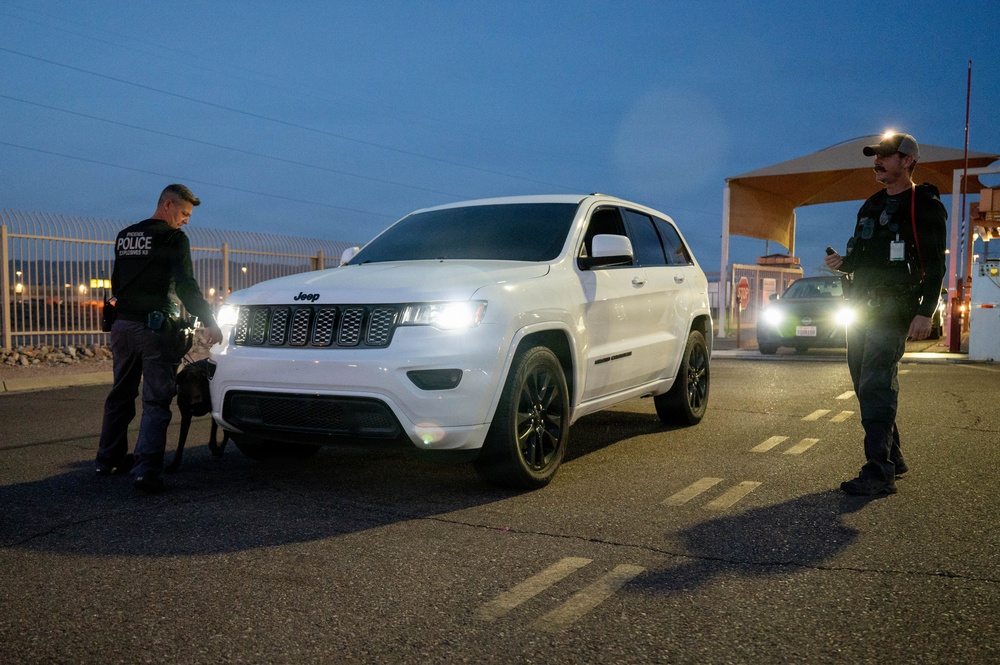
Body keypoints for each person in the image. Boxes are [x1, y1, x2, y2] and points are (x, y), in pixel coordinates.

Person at [825, 133, 947, 495]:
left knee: (877, 385)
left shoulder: (922, 205)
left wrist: (926, 312)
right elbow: (861, 257)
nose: (878, 162)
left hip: (894, 309)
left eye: (886, 156)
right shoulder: (871, 205)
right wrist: (842, 263)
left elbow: (936, 266)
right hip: (860, 307)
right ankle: (894, 457)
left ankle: (878, 473)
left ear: (908, 161)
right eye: (876, 156)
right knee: (863, 385)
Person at [95, 184, 224, 493]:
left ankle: (107, 459)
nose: (186, 221)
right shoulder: (173, 238)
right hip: (155, 329)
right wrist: (210, 321)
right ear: (168, 205)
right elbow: (185, 285)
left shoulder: (125, 236)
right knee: (156, 400)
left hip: (122, 326)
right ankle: (145, 471)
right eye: (184, 213)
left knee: (121, 394)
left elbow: (119, 283)